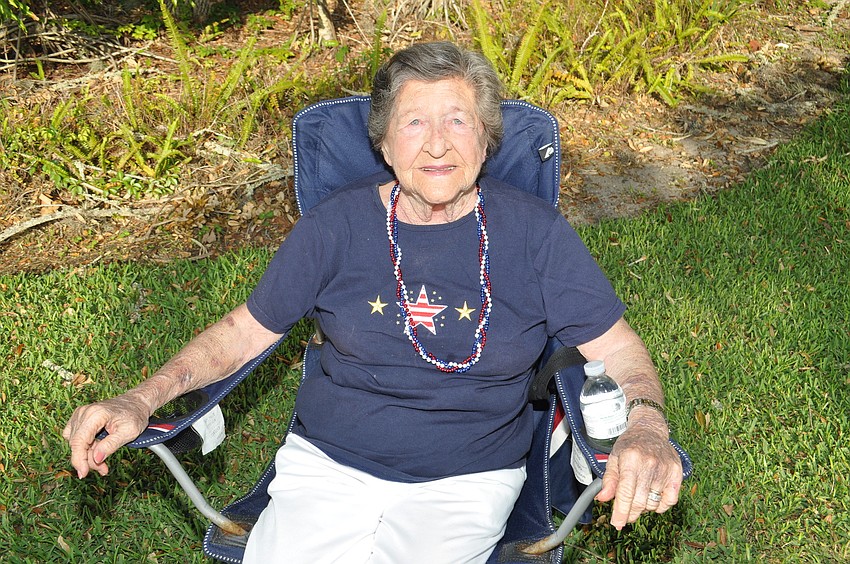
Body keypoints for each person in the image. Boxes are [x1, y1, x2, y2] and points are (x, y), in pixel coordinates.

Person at [63, 41, 682, 563]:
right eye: (414, 121)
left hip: (464, 483)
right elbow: (241, 333)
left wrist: (647, 424)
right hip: (326, 468)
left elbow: (619, 348)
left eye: (458, 120)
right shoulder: (337, 226)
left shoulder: (535, 234)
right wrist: (140, 398)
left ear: (487, 141)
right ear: (384, 143)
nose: (437, 144)